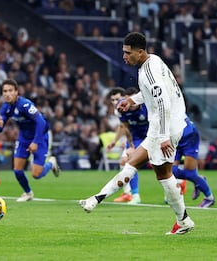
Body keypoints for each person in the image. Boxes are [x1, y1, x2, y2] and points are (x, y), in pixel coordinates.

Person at [79, 32, 195, 235]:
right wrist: (132, 99)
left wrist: (164, 136)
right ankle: (95, 199)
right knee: (133, 163)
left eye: (127, 53)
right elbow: (152, 93)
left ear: (140, 52)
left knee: (164, 175)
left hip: (166, 127)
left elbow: (163, 103)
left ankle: (183, 220)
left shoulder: (149, 72)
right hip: (162, 126)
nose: (124, 56)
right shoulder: (153, 62)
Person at [0, 79, 60, 202]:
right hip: (23, 138)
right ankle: (28, 193)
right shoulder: (5, 107)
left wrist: (35, 142)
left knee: (36, 174)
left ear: (16, 92)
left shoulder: (25, 105)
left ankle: (51, 163)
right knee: (17, 170)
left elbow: (41, 122)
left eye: (10, 91)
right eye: (5, 91)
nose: (7, 94)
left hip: (40, 136)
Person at [107, 87, 149, 205]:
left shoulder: (147, 106)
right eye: (113, 100)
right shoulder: (120, 110)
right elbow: (124, 127)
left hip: (150, 137)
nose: (116, 103)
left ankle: (174, 188)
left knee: (161, 166)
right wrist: (130, 145)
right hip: (135, 138)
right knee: (126, 161)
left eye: (117, 99)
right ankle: (132, 194)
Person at [172, 118, 215, 208]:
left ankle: (209, 198)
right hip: (175, 138)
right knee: (172, 171)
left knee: (190, 173)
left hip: (188, 136)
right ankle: (199, 180)